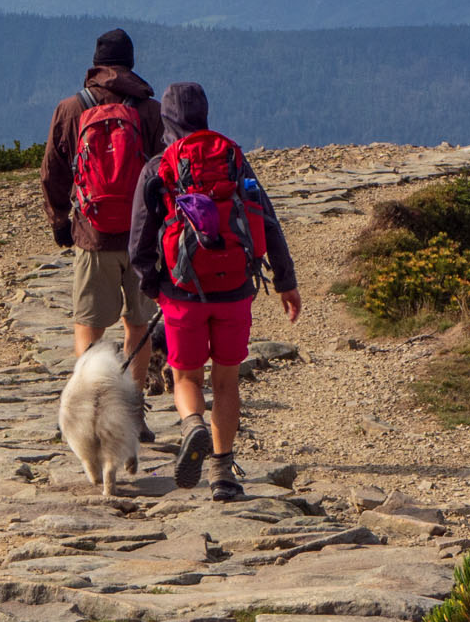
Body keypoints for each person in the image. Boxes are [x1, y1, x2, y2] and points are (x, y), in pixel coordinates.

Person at [129, 81, 300, 500]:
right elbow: (268, 222)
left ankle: (193, 426)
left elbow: (139, 241)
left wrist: (155, 285)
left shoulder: (158, 166)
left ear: (166, 120)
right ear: (205, 114)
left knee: (186, 376)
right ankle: (222, 473)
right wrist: (285, 281)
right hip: (236, 288)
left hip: (183, 292)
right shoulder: (233, 158)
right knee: (226, 381)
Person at [40, 28, 167, 440]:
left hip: (92, 234)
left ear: (95, 63)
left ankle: (90, 413)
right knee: (138, 323)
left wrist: (61, 220)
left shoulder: (71, 107)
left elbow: (53, 173)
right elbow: (167, 170)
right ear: (131, 62)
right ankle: (132, 411)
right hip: (142, 237)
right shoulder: (150, 110)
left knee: (89, 326)